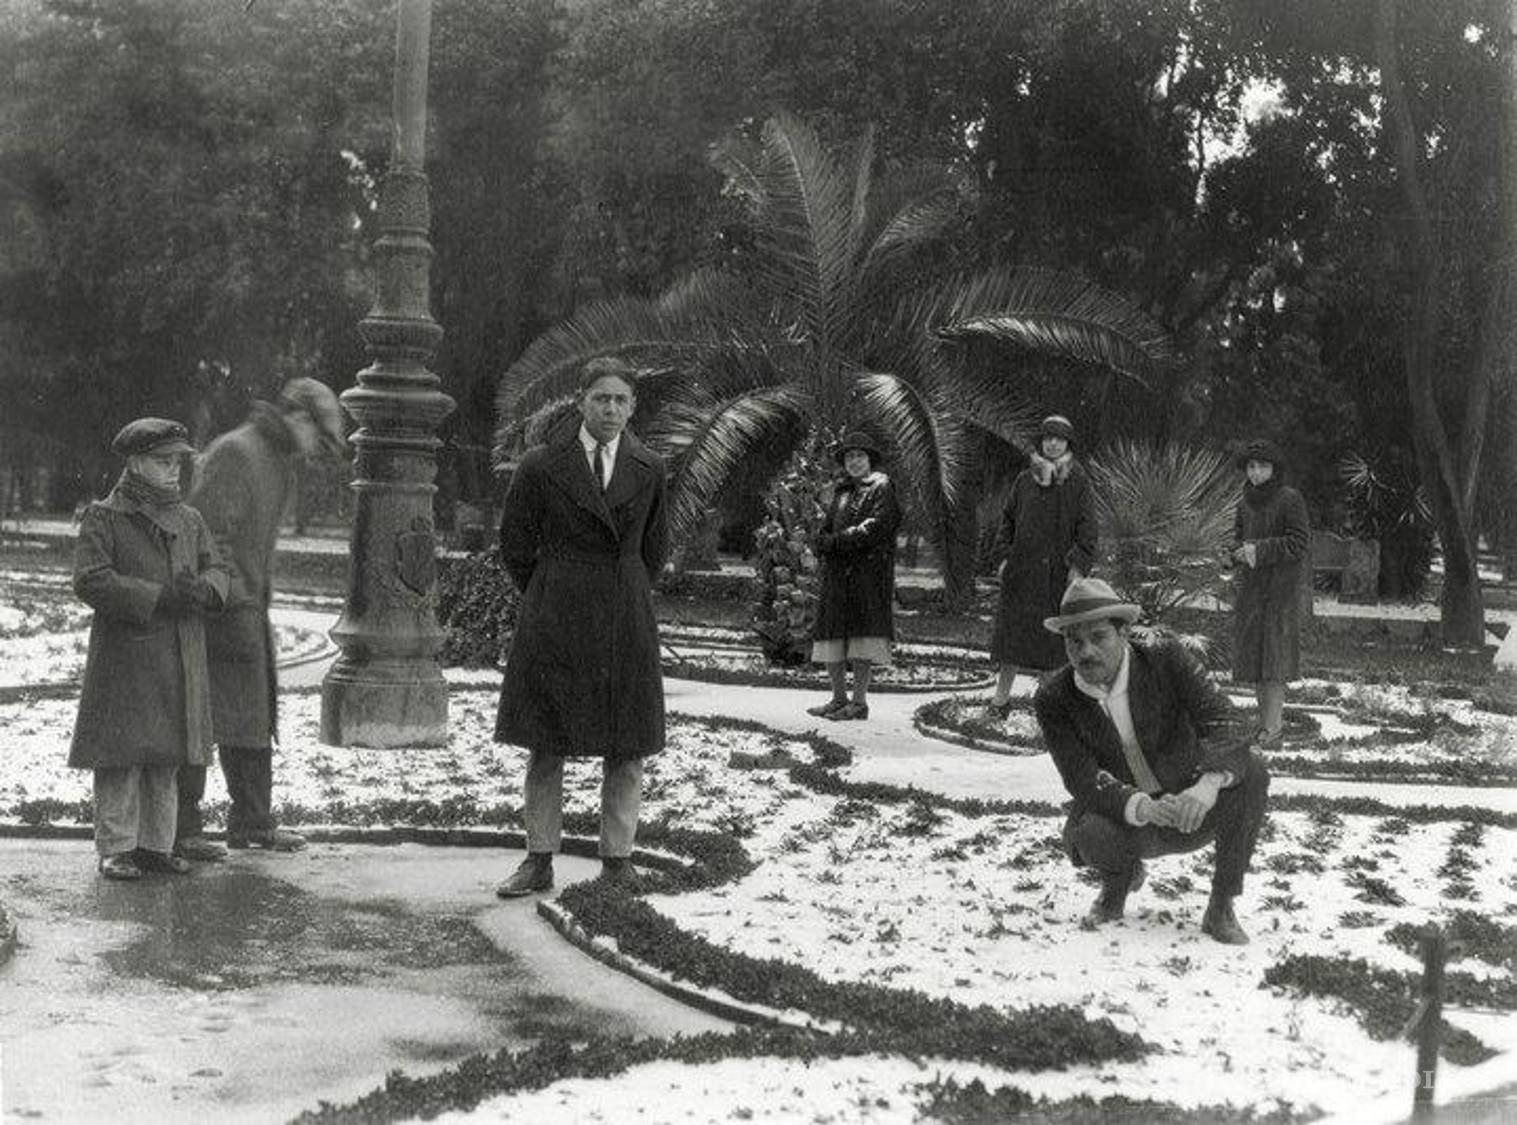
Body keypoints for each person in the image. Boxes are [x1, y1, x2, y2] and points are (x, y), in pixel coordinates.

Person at [494, 356, 669, 898]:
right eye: (601, 398)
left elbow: (655, 550)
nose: (610, 409)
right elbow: (515, 545)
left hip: (624, 617)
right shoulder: (541, 466)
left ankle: (617, 862)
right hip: (556, 616)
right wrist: (551, 591)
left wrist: (623, 589)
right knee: (547, 742)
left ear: (633, 407)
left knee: (627, 746)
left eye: (620, 400)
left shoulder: (650, 468)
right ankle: (538, 860)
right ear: (581, 402)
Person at [1033, 578, 1270, 945]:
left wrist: (1207, 785)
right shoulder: (1054, 697)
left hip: (1192, 807)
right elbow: (1081, 777)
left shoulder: (1166, 659)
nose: (1086, 651)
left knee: (1252, 771)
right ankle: (1118, 883)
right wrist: (1142, 806)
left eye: (1098, 637)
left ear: (1124, 633)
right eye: (1074, 641)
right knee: (1089, 834)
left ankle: (1222, 905)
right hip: (1128, 818)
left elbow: (1224, 720)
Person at [174, 377, 348, 860]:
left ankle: (253, 823)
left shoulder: (276, 459)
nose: (317, 451)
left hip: (244, 608)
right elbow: (206, 535)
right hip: (217, 611)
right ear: (299, 417)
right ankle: (183, 829)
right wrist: (230, 597)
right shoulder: (238, 451)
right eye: (319, 438)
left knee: (251, 717)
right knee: (201, 720)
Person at [70, 418, 230, 880]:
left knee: (166, 757)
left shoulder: (190, 519)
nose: (174, 469)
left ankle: (156, 845)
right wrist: (156, 597)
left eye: (178, 461)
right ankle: (116, 847)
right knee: (121, 756)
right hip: (127, 658)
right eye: (163, 461)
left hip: (180, 655)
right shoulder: (105, 516)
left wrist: (207, 590)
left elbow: (218, 567)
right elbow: (90, 579)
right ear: (136, 463)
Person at [986, 414, 1097, 718]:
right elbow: (1007, 521)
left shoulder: (1078, 482)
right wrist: (1004, 559)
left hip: (1056, 577)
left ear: (1068, 444)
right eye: (1048, 438)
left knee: (1052, 647)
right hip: (1021, 575)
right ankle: (999, 702)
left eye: (1059, 439)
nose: (1052, 444)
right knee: (1011, 643)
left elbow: (1088, 529)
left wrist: (1077, 566)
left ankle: (1050, 710)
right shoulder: (1024, 480)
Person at [805, 432, 902, 722]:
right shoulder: (842, 490)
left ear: (869, 459)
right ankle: (838, 699)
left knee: (862, 638)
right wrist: (820, 541)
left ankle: (859, 703)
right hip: (837, 573)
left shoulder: (882, 486)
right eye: (850, 457)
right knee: (831, 636)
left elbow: (877, 526)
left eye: (860, 456)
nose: (855, 461)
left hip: (867, 574)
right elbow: (827, 526)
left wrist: (837, 541)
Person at [1230, 438, 1310, 748]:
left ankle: (1273, 729)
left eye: (1262, 466)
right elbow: (1237, 538)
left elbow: (1298, 543)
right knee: (1255, 662)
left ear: (1274, 469)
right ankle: (1264, 726)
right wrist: (1233, 554)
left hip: (1280, 592)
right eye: (1251, 466)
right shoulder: (1244, 502)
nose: (1256, 472)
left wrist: (1257, 551)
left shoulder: (1290, 499)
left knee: (1274, 662)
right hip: (1251, 592)